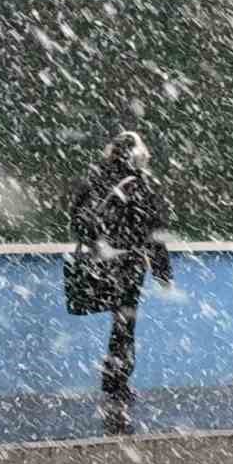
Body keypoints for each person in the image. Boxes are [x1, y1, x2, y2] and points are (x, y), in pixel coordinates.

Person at [70, 131, 173, 435]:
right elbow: (154, 231)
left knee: (119, 322)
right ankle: (117, 383)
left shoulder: (94, 179)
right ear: (136, 156)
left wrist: (99, 245)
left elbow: (76, 220)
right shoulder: (140, 185)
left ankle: (113, 381)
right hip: (128, 264)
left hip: (101, 262)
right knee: (124, 324)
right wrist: (162, 272)